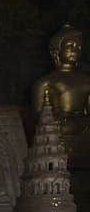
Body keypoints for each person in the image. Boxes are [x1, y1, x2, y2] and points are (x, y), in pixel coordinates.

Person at [31, 24, 90, 157]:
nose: (76, 50)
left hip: (82, 126)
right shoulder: (45, 82)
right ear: (56, 50)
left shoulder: (87, 81)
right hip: (59, 126)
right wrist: (57, 121)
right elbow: (38, 115)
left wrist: (81, 121)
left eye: (79, 47)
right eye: (71, 46)